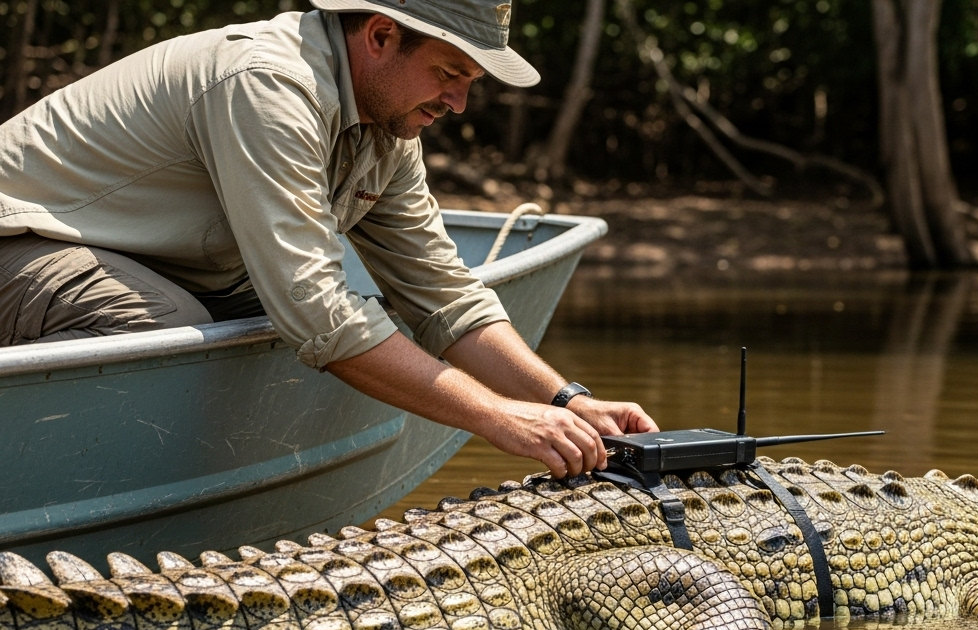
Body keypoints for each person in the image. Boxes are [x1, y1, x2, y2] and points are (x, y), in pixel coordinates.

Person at [0, 0, 657, 478]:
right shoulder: (268, 85)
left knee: (288, 323)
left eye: (469, 84)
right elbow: (316, 310)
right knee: (172, 323)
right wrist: (497, 417)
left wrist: (566, 401)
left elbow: (445, 298)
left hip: (143, 262)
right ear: (379, 35)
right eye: (448, 72)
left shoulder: (389, 128)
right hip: (21, 239)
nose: (457, 103)